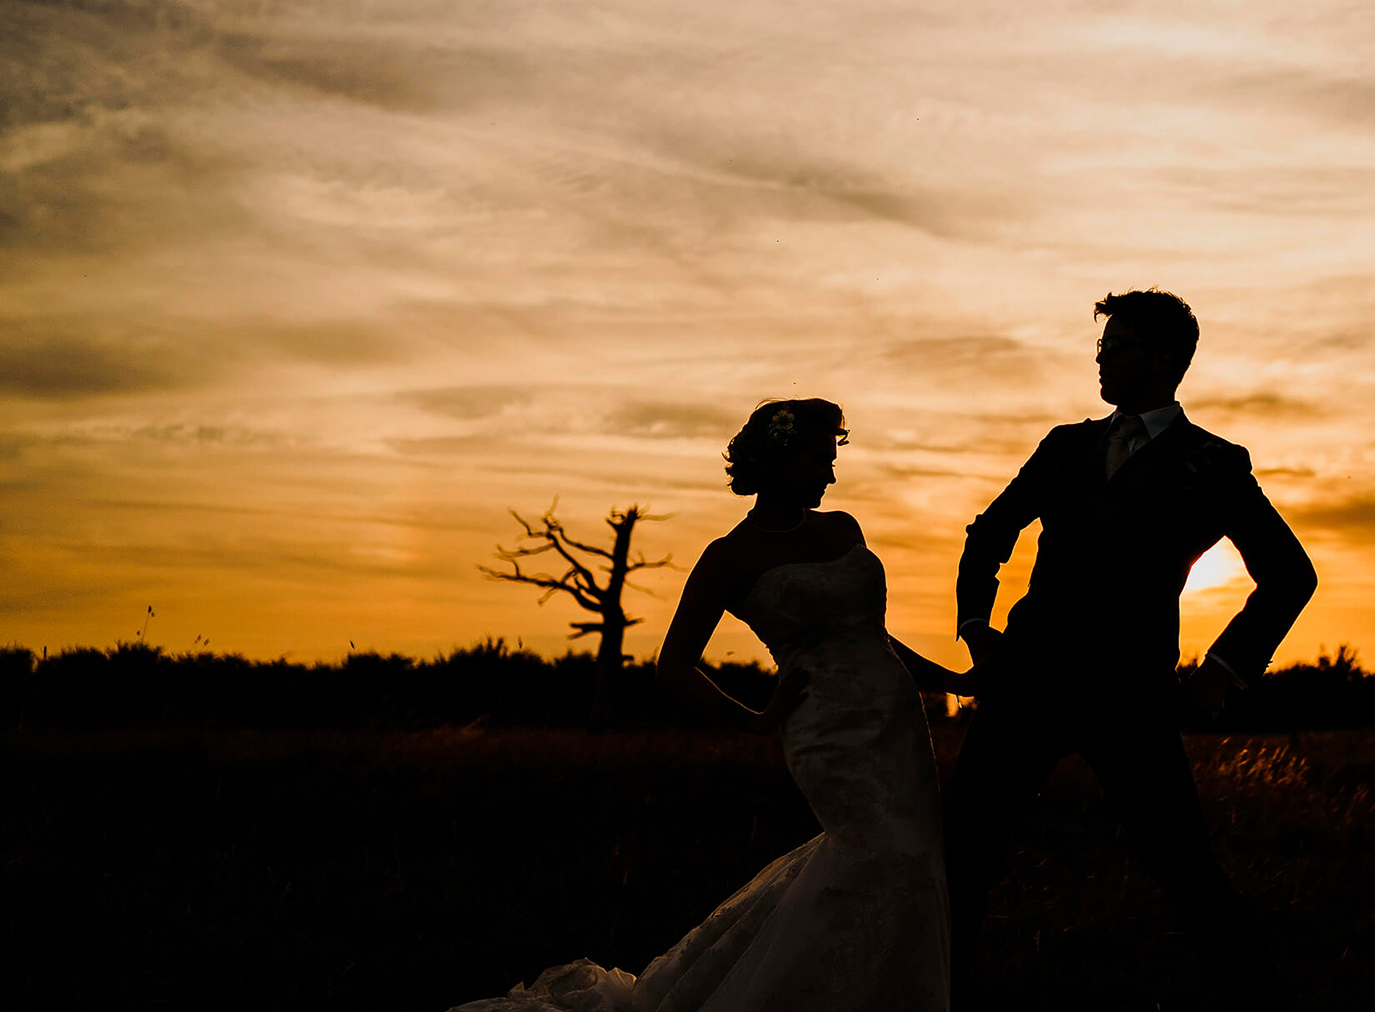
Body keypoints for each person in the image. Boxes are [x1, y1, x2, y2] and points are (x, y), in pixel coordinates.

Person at [452, 399, 975, 1012]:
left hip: (896, 724)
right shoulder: (728, 558)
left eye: (833, 458)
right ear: (780, 460)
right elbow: (673, 665)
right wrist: (754, 719)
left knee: (915, 862)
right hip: (826, 734)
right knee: (874, 855)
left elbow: (875, 638)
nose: (831, 474)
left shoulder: (843, 530)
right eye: (820, 459)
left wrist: (958, 681)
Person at [945, 289, 1317, 1005]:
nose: (1100, 358)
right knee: (960, 862)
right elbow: (988, 536)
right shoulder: (1064, 445)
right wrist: (977, 630)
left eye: (1115, 346)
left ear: (1162, 358)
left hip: (1131, 698)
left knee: (1187, 871)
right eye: (1100, 345)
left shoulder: (1213, 463)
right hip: (1024, 685)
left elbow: (1289, 575)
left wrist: (1223, 669)